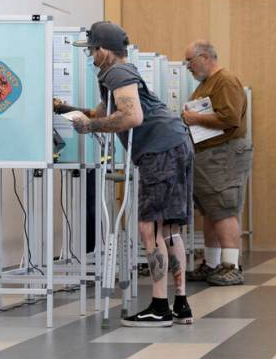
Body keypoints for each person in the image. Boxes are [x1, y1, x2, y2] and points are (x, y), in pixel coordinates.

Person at [68, 21, 194, 327]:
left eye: (93, 50)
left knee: (148, 227)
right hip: (175, 144)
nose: (91, 56)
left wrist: (91, 127)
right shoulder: (122, 73)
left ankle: (159, 306)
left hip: (159, 150)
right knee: (170, 228)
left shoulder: (116, 73)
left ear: (105, 50)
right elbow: (105, 111)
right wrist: (70, 110)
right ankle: (180, 303)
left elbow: (131, 116)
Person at [181, 40, 252, 287]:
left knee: (223, 209)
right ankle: (211, 265)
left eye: (189, 60)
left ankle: (231, 266)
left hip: (224, 155)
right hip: (209, 155)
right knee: (211, 211)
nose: (187, 66)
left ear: (204, 57)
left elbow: (229, 118)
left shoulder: (225, 80)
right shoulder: (206, 83)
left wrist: (194, 118)